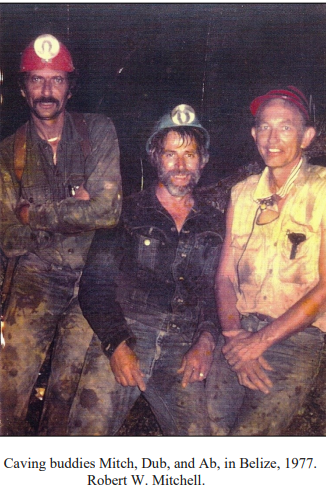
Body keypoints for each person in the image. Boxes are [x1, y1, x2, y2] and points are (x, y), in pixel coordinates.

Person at [68, 104, 224, 435]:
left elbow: (217, 290)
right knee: (84, 440)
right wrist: (116, 345)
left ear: (204, 160)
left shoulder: (215, 221)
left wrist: (206, 341)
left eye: (191, 154)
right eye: (170, 155)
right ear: (155, 158)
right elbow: (95, 287)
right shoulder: (127, 213)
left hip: (181, 349)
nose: (181, 165)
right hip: (128, 334)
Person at [0, 34, 122, 435]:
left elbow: (108, 210)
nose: (47, 91)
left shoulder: (98, 132)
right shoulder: (8, 153)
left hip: (92, 279)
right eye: (37, 80)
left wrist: (34, 214)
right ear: (23, 88)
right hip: (35, 277)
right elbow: (8, 238)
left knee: (66, 393)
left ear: (71, 87)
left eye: (57, 80)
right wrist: (77, 208)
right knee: (8, 385)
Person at [207, 86, 326, 435]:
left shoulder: (322, 190)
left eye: (286, 127)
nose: (272, 138)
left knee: (251, 439)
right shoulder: (242, 193)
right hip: (238, 329)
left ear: (307, 137)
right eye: (264, 126)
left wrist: (260, 343)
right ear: (253, 133)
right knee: (206, 431)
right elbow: (225, 276)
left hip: (296, 336)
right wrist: (233, 335)